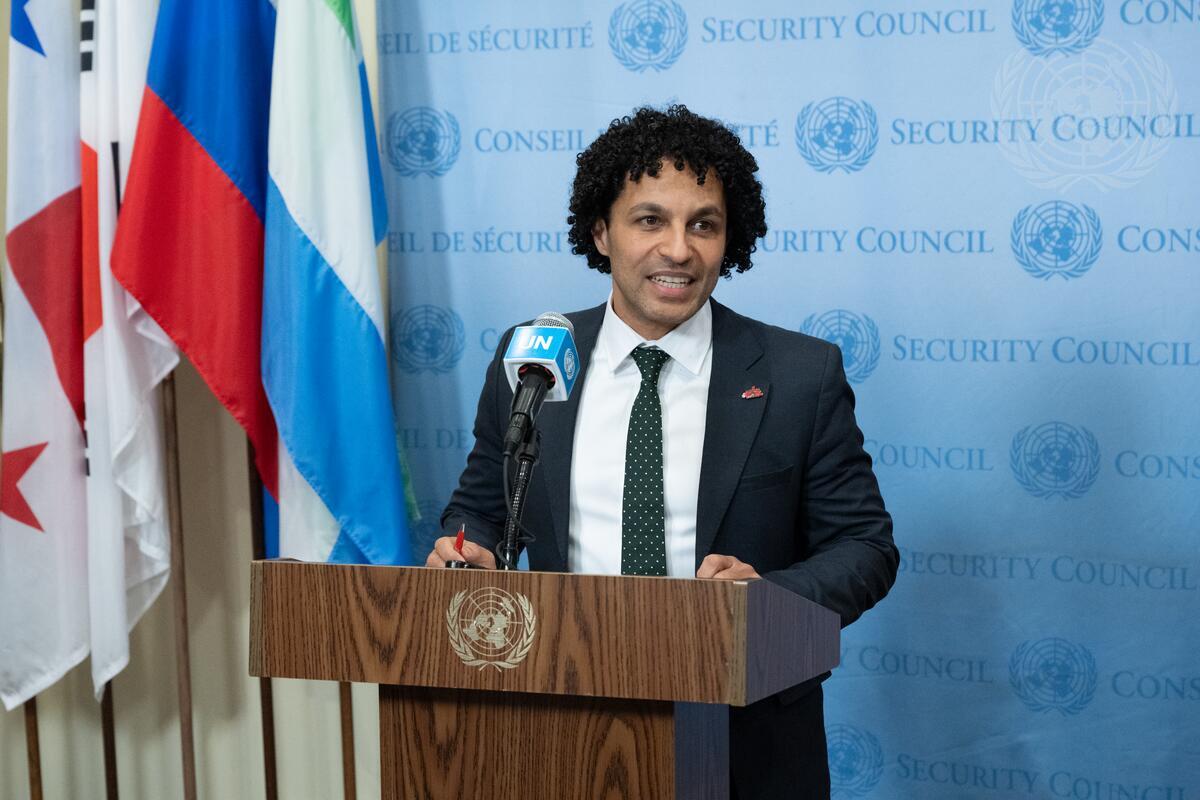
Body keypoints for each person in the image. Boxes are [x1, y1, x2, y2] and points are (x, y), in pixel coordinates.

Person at [426, 104, 897, 799]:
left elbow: (865, 548)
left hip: (747, 735)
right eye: (650, 220)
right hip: (562, 721)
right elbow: (483, 509)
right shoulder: (533, 359)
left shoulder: (800, 375)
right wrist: (470, 552)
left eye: (703, 224)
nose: (679, 249)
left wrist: (769, 600)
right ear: (601, 232)